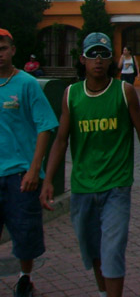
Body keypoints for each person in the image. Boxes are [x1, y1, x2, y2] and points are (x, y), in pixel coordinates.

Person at [42, 32, 140, 297]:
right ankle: (103, 292)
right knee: (93, 249)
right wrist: (47, 180)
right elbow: (61, 140)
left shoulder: (124, 92)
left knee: (112, 250)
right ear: (82, 59)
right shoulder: (71, 94)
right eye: (92, 54)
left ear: (111, 59)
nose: (98, 60)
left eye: (103, 54)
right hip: (82, 186)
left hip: (116, 186)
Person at [0, 29, 59, 297]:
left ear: (12, 50)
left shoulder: (27, 84)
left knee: (25, 233)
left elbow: (45, 126)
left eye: (3, 48)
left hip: (20, 174)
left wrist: (35, 170)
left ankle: (25, 278)